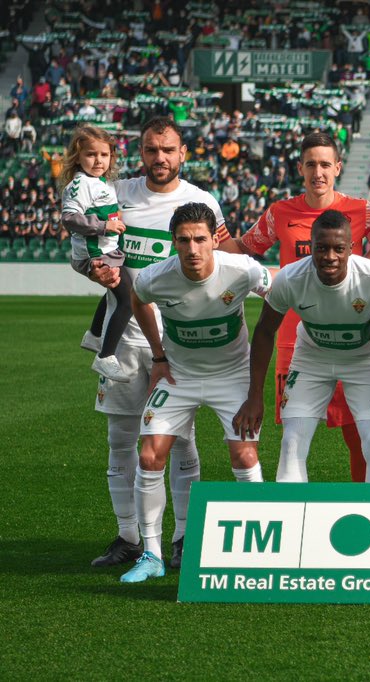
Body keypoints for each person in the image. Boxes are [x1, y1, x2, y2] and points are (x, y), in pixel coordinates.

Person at [87, 116, 230, 570]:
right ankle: (129, 537)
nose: (160, 158)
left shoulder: (202, 201)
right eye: (151, 150)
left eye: (168, 150)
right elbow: (93, 251)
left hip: (181, 341)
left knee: (181, 440)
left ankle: (183, 538)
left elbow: (220, 262)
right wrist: (96, 269)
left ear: (183, 153)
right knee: (121, 439)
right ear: (141, 153)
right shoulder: (118, 195)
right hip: (127, 338)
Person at [220, 132, 370, 484]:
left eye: (326, 164)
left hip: (355, 335)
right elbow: (246, 247)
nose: (319, 172)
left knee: (360, 436)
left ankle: (366, 505)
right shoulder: (280, 212)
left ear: (338, 168)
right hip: (297, 342)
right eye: (311, 164)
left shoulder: (362, 210)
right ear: (300, 168)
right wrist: (211, 241)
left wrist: (368, 272)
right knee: (295, 437)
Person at [120, 203, 270, 583]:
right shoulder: (155, 277)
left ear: (214, 239)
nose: (192, 249)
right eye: (183, 240)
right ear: (173, 242)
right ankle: (151, 554)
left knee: (244, 455)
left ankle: (261, 548)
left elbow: (277, 298)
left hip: (233, 375)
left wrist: (259, 380)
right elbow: (138, 301)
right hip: (179, 377)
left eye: (200, 239)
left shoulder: (243, 269)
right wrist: (158, 356)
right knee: (150, 455)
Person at [233, 210, 370, 483]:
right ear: (310, 246)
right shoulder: (290, 278)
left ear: (351, 249)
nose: (329, 256)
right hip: (311, 359)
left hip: (365, 360)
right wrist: (255, 395)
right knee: (292, 444)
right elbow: (263, 331)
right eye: (321, 248)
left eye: (338, 248)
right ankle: (290, 519)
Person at [59, 125, 131, 382]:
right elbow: (69, 218)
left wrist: (114, 218)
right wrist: (104, 226)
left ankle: (93, 334)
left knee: (115, 293)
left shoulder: (102, 183)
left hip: (107, 251)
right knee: (128, 300)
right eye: (91, 154)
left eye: (104, 154)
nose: (98, 160)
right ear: (77, 156)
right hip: (96, 256)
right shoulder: (80, 184)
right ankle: (105, 357)